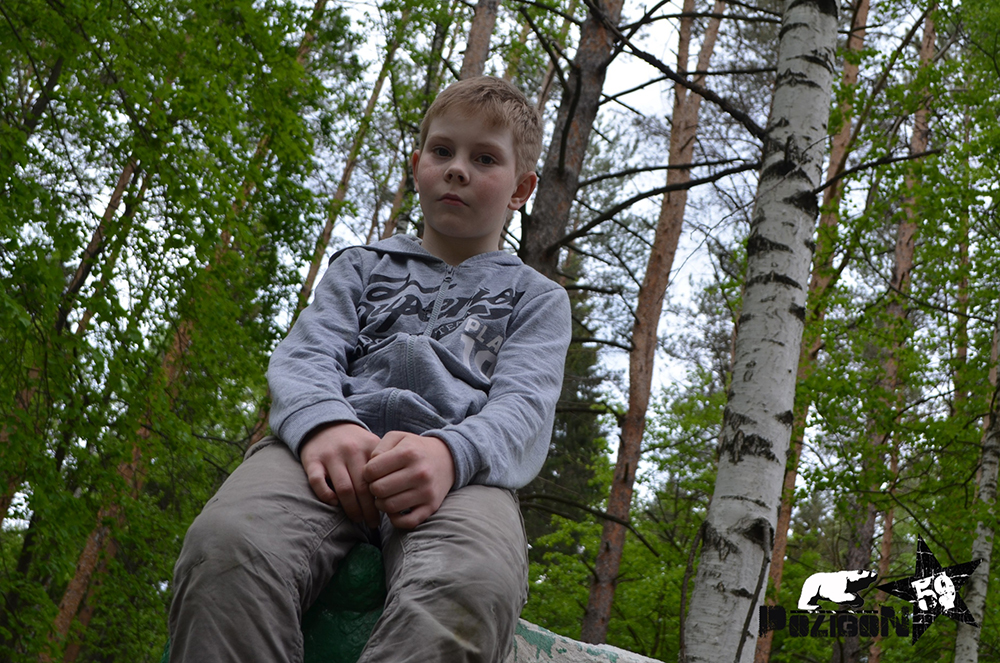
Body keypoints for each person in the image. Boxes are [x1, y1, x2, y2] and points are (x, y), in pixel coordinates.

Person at [168, 75, 572, 663]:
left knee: (472, 584)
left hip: (462, 478)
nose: (457, 169)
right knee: (227, 544)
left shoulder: (537, 299)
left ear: (522, 187)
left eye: (485, 158)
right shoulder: (359, 266)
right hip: (320, 453)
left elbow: (524, 408)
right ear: (417, 164)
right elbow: (307, 354)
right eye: (442, 151)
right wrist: (325, 425)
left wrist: (451, 453)